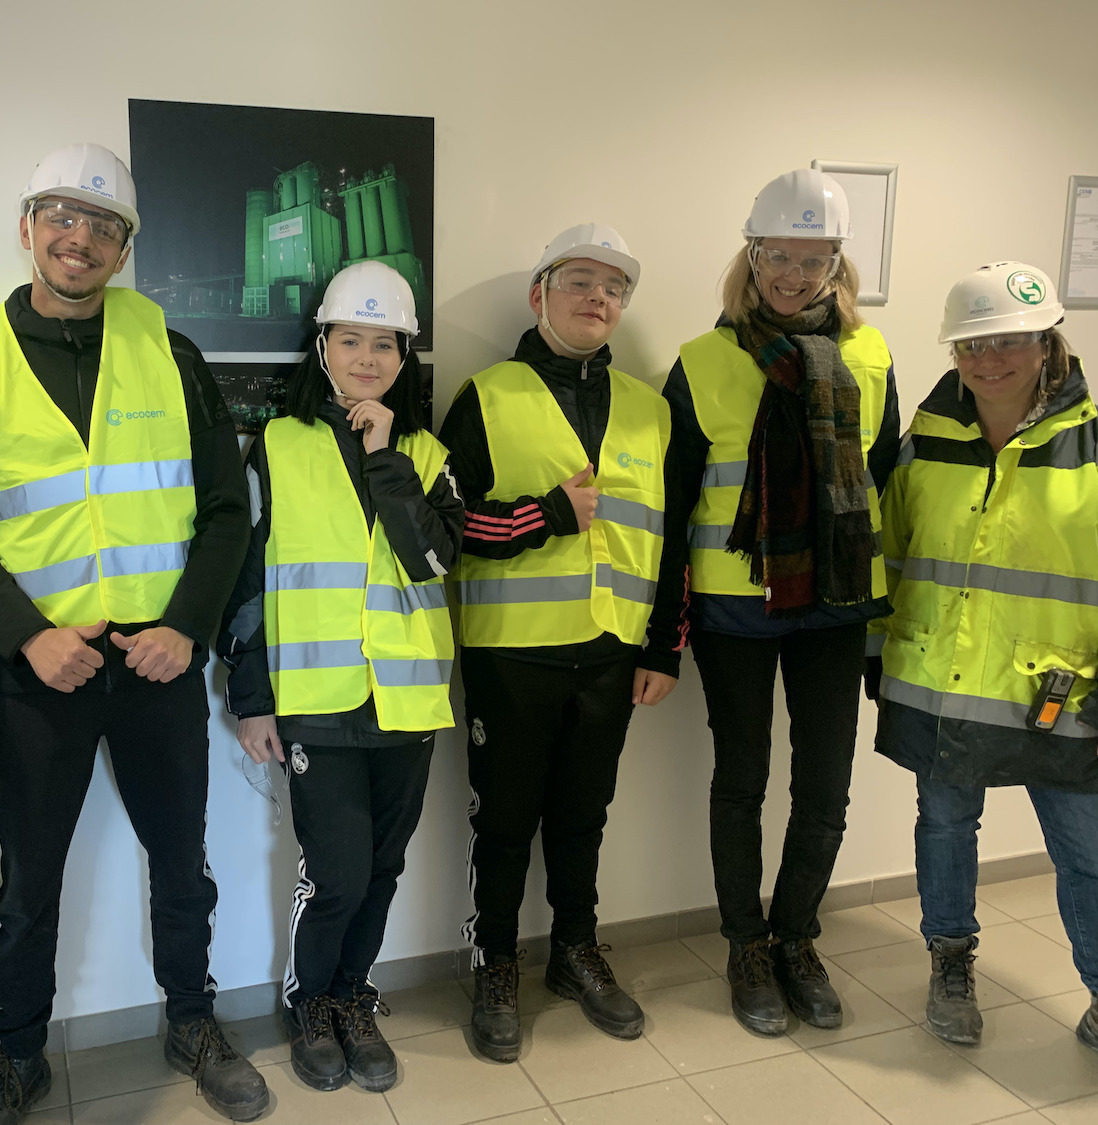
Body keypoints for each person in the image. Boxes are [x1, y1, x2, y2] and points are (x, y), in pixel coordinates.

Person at [0, 144, 265, 1123]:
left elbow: (225, 513)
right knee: (29, 879)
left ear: (123, 249)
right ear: (29, 228)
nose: (80, 239)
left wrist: (185, 630)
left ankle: (193, 1022)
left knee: (182, 863)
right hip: (42, 672)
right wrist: (28, 639)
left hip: (155, 662)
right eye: (62, 218)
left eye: (103, 225)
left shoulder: (172, 351)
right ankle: (19, 1052)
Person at [872, 261, 1098, 1077]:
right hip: (942, 686)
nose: (990, 360)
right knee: (946, 829)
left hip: (1061, 699)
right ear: (955, 351)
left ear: (1046, 340)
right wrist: (878, 658)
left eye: (1010, 341)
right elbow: (892, 553)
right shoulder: (924, 443)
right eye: (972, 345)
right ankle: (950, 965)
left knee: (1090, 853)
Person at [439, 224, 686, 1061]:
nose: (598, 299)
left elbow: (671, 537)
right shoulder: (486, 396)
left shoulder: (652, 412)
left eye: (614, 289)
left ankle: (575, 951)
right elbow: (447, 528)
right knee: (504, 823)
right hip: (512, 654)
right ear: (540, 293)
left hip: (613, 652)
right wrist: (542, 514)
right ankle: (497, 965)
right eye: (581, 281)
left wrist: (662, 648)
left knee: (584, 817)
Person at [663, 169, 900, 1036]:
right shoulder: (700, 360)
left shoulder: (872, 356)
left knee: (827, 784)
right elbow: (677, 498)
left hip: (837, 602)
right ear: (751, 255)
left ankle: (797, 935)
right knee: (743, 780)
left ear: (839, 263)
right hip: (735, 608)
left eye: (816, 258)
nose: (795, 275)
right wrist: (664, 630)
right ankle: (745, 946)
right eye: (778, 256)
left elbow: (882, 480)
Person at [218, 260, 463, 1092]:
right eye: (351, 339)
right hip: (317, 704)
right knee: (337, 873)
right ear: (322, 346)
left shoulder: (426, 453)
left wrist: (387, 455)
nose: (367, 356)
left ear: (404, 358)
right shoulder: (276, 448)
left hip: (408, 699)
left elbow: (434, 558)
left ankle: (354, 995)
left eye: (384, 343)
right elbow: (245, 582)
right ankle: (309, 1003)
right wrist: (250, 699)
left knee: (384, 868)